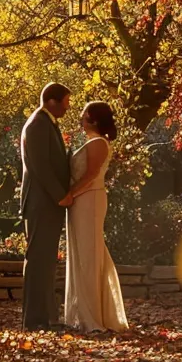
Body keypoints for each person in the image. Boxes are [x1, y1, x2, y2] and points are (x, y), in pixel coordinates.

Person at [59, 101, 129, 332]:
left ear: (94, 119)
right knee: (81, 253)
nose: (79, 120)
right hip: (81, 201)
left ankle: (93, 314)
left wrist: (70, 194)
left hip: (89, 200)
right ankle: (81, 311)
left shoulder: (99, 143)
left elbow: (90, 175)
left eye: (83, 116)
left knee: (90, 253)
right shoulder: (90, 142)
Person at [19, 83, 72, 331]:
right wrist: (60, 195)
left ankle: (45, 318)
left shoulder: (45, 123)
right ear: (52, 101)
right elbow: (40, 166)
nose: (67, 107)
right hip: (41, 203)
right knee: (39, 260)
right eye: (65, 101)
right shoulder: (38, 125)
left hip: (46, 203)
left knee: (46, 261)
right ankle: (34, 320)